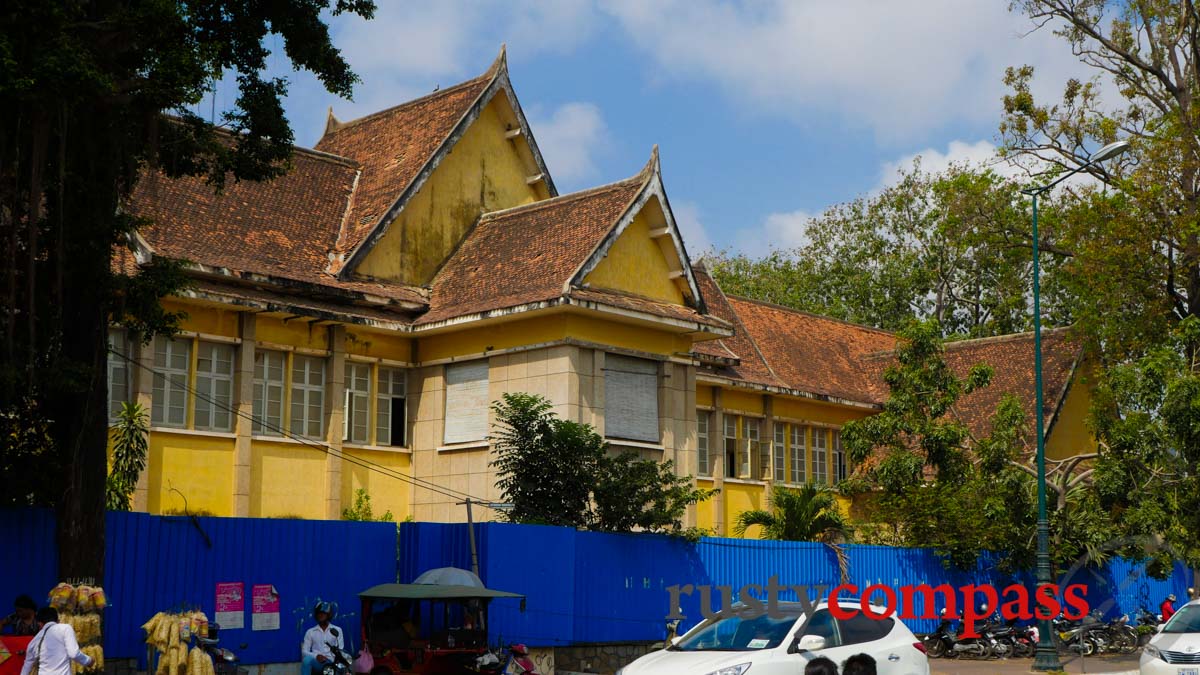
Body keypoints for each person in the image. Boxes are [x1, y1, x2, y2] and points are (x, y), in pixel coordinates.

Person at [18, 608, 94, 675]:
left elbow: (26, 666)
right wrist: (88, 661)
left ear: (39, 623)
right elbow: (73, 654)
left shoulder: (34, 641)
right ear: (58, 620)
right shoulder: (65, 628)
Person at [301, 602, 344, 675]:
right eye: (319, 613)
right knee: (306, 660)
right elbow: (304, 651)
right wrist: (316, 656)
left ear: (329, 615)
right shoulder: (310, 632)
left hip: (332, 662)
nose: (320, 615)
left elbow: (341, 649)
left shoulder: (337, 630)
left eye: (323, 613)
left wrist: (336, 660)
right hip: (318, 663)